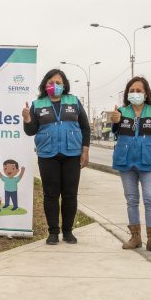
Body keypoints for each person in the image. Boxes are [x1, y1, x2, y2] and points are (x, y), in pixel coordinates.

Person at [23, 69, 90, 245]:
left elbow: (85, 127)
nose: (55, 86)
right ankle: (53, 232)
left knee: (70, 194)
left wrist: (85, 151)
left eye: (58, 83)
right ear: (45, 85)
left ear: (64, 85)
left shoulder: (73, 101)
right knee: (51, 194)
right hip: (47, 155)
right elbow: (30, 131)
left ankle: (68, 231)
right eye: (51, 82)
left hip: (72, 154)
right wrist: (28, 118)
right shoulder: (37, 104)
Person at [110, 76, 151, 254]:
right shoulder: (120, 111)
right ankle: (135, 237)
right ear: (127, 93)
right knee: (132, 200)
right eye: (132, 90)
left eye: (139, 90)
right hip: (126, 161)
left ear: (146, 93)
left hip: (149, 161)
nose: (135, 93)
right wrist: (115, 120)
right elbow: (115, 132)